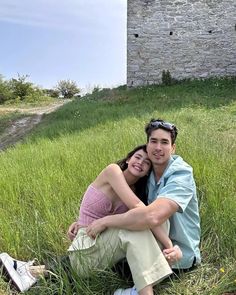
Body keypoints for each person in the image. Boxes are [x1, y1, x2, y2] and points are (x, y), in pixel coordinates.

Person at [0, 144, 179, 293]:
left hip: (102, 249)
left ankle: (28, 270)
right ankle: (143, 290)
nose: (140, 163)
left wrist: (169, 247)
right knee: (133, 230)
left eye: (147, 163)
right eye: (138, 157)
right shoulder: (113, 171)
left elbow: (148, 217)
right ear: (128, 159)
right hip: (85, 247)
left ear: (147, 171)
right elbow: (141, 211)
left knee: (159, 221)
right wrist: (170, 246)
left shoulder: (135, 193)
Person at [86, 118, 201, 295]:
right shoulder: (148, 176)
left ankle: (137, 291)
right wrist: (82, 222)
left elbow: (151, 217)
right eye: (153, 141)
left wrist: (106, 221)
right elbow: (131, 208)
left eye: (165, 142)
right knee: (122, 236)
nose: (158, 147)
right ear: (147, 145)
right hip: (151, 245)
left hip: (176, 254)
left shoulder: (181, 173)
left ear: (173, 148)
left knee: (132, 232)